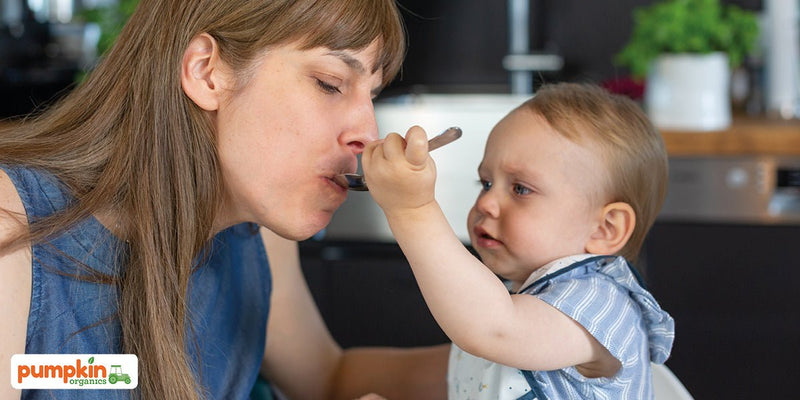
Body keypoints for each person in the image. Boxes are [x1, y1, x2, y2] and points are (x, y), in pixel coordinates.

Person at [0, 1, 451, 399]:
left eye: (371, 96)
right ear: (206, 72)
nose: (368, 134)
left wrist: (502, 361)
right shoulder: (11, 226)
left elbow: (328, 379)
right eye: (330, 83)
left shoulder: (256, 232)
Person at [362, 82, 676, 399]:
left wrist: (412, 209)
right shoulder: (528, 298)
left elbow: (495, 328)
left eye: (520, 189)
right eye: (485, 183)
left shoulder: (601, 304)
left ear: (605, 229)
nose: (486, 203)